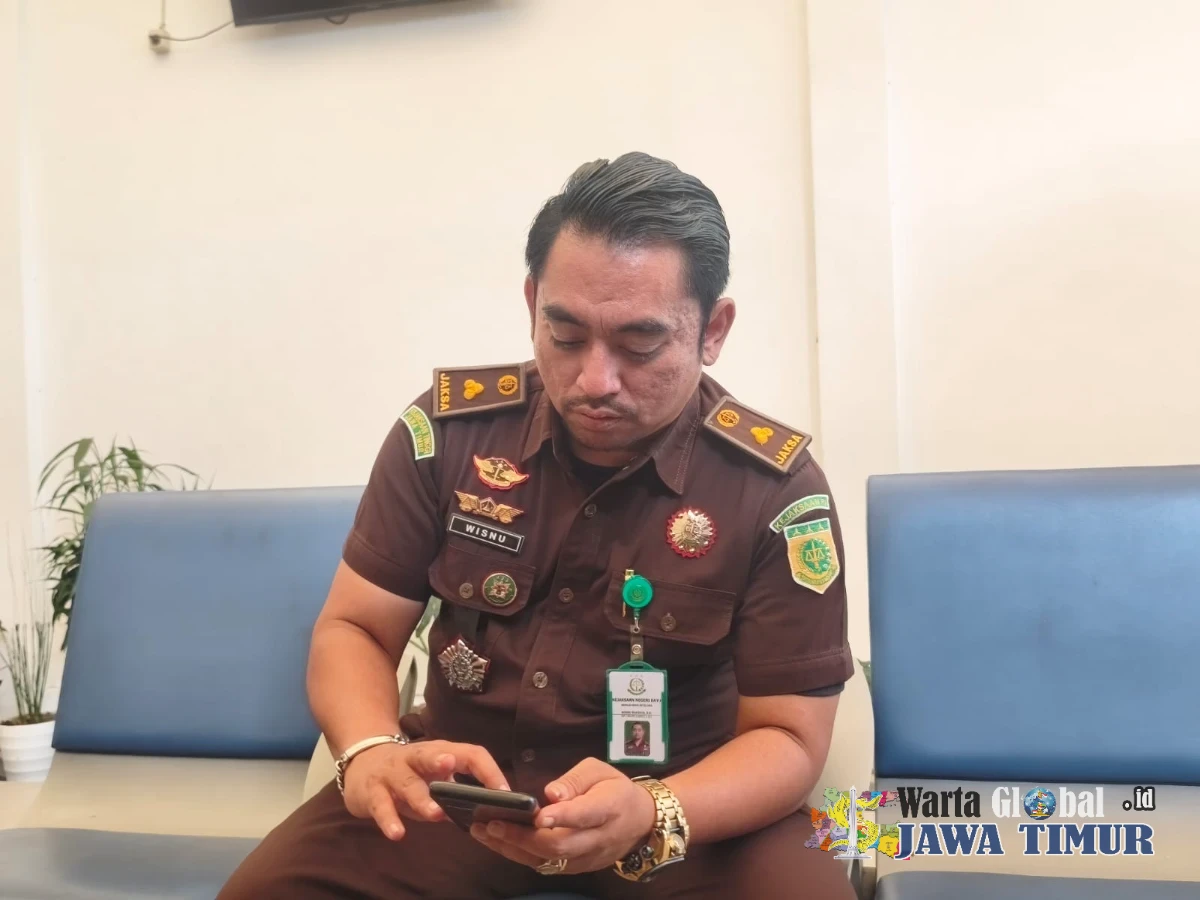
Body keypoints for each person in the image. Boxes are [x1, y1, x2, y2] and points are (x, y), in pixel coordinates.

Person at [217, 152, 856, 900]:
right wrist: (369, 749)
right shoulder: (446, 437)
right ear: (532, 306)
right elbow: (355, 627)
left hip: (682, 807)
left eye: (639, 345)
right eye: (566, 335)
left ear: (712, 330)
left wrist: (653, 810)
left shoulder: (775, 491)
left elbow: (788, 736)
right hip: (460, 794)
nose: (595, 380)